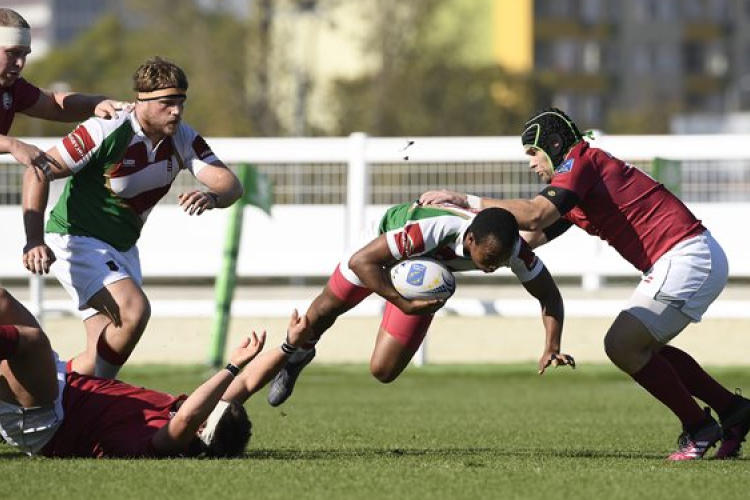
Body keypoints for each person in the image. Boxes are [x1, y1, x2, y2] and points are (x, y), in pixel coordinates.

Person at [419, 108, 750, 460]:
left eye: (533, 152)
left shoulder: (580, 161)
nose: (531, 164)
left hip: (686, 256)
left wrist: (464, 199)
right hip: (688, 257)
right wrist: (451, 249)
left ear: (555, 144)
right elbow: (527, 238)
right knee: (640, 348)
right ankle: (733, 411)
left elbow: (534, 214)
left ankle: (699, 427)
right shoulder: (577, 184)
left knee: (621, 345)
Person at [21, 56, 244, 380]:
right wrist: (33, 239)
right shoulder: (107, 127)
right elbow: (38, 168)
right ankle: (98, 401)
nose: (177, 111)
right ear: (142, 101)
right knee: (134, 310)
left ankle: (34, 398)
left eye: (181, 102)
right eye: (167, 103)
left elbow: (230, 184)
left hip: (122, 248)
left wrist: (211, 196)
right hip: (76, 238)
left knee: (95, 356)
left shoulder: (181, 136)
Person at [267, 201, 574, 407]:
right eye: (490, 259)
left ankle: (399, 305)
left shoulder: (514, 250)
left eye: (501, 259)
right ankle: (299, 355)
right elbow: (361, 262)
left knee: (383, 370)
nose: (494, 265)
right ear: (469, 242)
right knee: (324, 310)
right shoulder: (432, 230)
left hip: (422, 270)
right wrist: (400, 301)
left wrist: (552, 344)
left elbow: (549, 295)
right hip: (380, 246)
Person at [0, 287, 311, 458]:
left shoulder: (170, 442)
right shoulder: (187, 418)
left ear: (201, 432)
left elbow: (191, 415)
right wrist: (287, 347)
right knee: (2, 300)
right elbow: (247, 381)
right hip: (64, 387)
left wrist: (230, 365)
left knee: (31, 342)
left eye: (206, 416)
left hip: (45, 420)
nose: (205, 407)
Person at [0, 8, 127, 173]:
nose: (20, 63)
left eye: (24, 54)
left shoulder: (13, 87)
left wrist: (95, 103)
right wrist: (13, 145)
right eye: (12, 53)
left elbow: (55, 105)